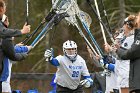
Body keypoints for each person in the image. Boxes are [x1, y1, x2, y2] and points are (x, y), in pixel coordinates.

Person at [0, 0, 30, 92]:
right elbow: (11, 55)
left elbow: (6, 48)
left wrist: (16, 46)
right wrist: (21, 31)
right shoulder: (5, 34)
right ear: (1, 9)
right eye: (4, 9)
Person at [116, 12, 140, 93]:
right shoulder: (130, 37)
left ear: (128, 25)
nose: (123, 27)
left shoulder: (132, 38)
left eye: (124, 24)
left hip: (127, 74)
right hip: (125, 74)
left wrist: (116, 49)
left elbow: (128, 53)